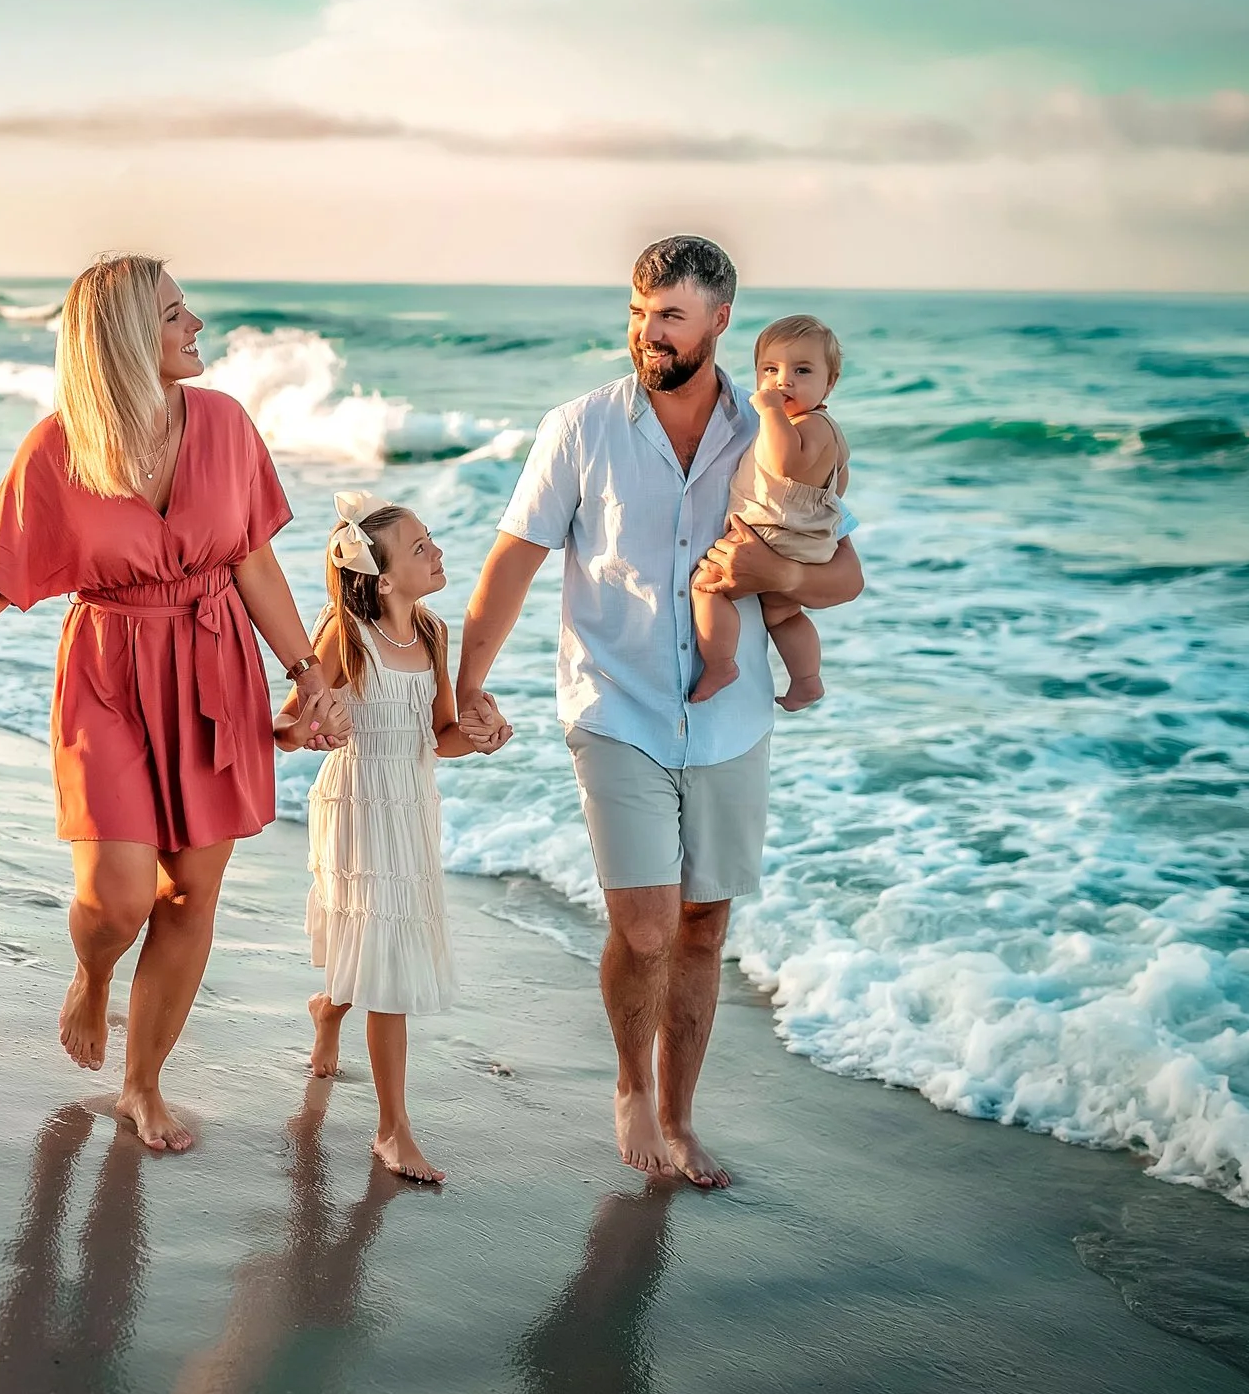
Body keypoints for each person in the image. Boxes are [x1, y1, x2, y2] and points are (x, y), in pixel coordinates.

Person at [0, 254, 350, 1152]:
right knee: (119, 895)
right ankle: (92, 975)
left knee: (191, 894)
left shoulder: (226, 423)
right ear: (130, 340)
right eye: (175, 313)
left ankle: (143, 1082)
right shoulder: (58, 450)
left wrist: (304, 668)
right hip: (108, 675)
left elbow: (250, 558)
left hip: (215, 666)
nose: (195, 324)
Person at [453, 236, 863, 1186]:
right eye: (639, 313)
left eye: (671, 316)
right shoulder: (580, 427)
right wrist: (466, 683)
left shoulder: (785, 431)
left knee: (704, 928)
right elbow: (512, 561)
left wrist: (773, 572)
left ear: (721, 319)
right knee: (644, 926)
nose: (649, 333)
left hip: (731, 716)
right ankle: (630, 1082)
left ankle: (679, 1117)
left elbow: (843, 572)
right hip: (616, 706)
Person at [278, 492, 508, 1183]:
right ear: (381, 579)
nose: (436, 551)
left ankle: (327, 1007)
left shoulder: (433, 633)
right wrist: (317, 727)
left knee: (375, 947)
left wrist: (480, 736)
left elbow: (439, 737)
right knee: (385, 961)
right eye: (419, 548)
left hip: (409, 805)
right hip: (356, 804)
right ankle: (392, 1129)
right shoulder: (344, 638)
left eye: (430, 539)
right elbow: (285, 730)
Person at [691, 315, 851, 710]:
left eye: (802, 370)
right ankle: (807, 679)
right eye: (770, 370)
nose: (783, 382)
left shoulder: (807, 425)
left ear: (829, 383)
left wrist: (770, 412)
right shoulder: (829, 430)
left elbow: (784, 463)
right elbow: (838, 484)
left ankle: (720, 663)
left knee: (707, 585)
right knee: (781, 613)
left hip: (772, 534)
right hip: (807, 538)